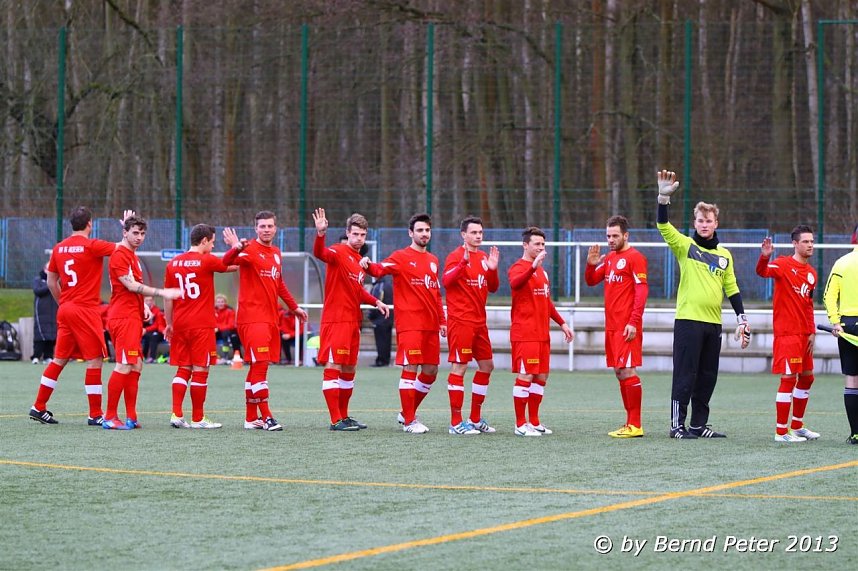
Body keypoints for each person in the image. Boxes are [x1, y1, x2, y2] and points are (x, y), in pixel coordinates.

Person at [656, 169, 751, 439]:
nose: (704, 224)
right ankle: (677, 426)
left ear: (716, 223)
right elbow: (663, 227)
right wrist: (663, 200)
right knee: (685, 375)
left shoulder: (724, 255)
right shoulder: (685, 246)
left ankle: (698, 425)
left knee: (708, 377)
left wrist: (742, 318)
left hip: (714, 324)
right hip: (688, 321)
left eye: (708, 220)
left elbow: (731, 288)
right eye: (700, 220)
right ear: (695, 223)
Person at [29, 206, 128, 425]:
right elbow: (124, 248)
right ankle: (95, 414)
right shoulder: (93, 245)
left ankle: (38, 406)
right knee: (95, 360)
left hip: (66, 309)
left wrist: (63, 301)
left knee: (59, 359)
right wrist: (126, 229)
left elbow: (51, 280)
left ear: (71, 224)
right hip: (85, 310)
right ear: (90, 224)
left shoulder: (59, 248)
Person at [223, 211, 309, 431]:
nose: (266, 229)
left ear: (275, 228)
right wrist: (236, 247)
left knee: (258, 367)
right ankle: (268, 416)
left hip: (271, 318)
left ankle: (251, 418)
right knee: (260, 366)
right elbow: (226, 262)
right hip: (252, 319)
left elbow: (279, 284)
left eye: (270, 226)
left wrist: (295, 307)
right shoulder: (249, 249)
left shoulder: (276, 253)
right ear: (255, 228)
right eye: (262, 226)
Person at [362, 213, 446, 434]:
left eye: (427, 230)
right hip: (410, 323)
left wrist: (442, 320)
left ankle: (406, 412)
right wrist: (367, 265)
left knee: (431, 371)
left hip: (430, 324)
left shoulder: (434, 260)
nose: (424, 234)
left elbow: (436, 294)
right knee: (411, 367)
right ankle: (409, 421)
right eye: (420, 230)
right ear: (411, 233)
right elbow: (380, 269)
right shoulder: (401, 256)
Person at [103, 215, 183, 430]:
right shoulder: (120, 254)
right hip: (122, 317)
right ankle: (109, 416)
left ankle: (131, 416)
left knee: (136, 364)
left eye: (142, 233)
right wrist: (161, 292)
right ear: (124, 233)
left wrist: (144, 306)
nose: (139, 237)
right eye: (134, 233)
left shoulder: (131, 255)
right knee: (124, 364)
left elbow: (134, 285)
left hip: (132, 315)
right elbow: (129, 285)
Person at [312, 208, 389, 431]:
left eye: (362, 235)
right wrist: (320, 233)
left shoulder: (359, 260)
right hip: (335, 320)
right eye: (355, 234)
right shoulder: (337, 251)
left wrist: (376, 302)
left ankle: (344, 416)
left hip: (352, 320)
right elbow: (320, 253)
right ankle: (335, 419)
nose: (358, 238)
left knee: (349, 368)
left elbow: (358, 291)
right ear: (348, 233)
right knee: (334, 364)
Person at [163, 223, 235, 429]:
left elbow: (168, 298)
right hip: (201, 324)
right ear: (204, 241)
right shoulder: (206, 260)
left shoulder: (173, 263)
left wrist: (169, 323)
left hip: (180, 323)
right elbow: (233, 265)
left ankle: (176, 414)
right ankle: (197, 418)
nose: (213, 246)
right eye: (212, 242)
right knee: (201, 368)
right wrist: (238, 247)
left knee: (183, 368)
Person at [585, 215, 649, 438]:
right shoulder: (610, 258)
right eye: (608, 236)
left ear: (625, 235)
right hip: (611, 326)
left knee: (628, 370)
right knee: (619, 372)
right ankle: (629, 423)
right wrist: (590, 265)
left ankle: (636, 424)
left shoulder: (635, 258)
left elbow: (641, 291)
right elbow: (592, 280)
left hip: (626, 327)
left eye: (615, 236)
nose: (610, 240)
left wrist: (633, 322)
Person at [756, 226, 820, 443]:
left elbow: (809, 304)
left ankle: (798, 426)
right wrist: (764, 257)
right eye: (805, 241)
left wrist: (811, 331)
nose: (810, 245)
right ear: (795, 243)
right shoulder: (783, 264)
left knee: (808, 377)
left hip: (804, 335)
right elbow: (762, 272)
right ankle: (781, 432)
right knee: (788, 379)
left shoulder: (812, 273)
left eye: (812, 241)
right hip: (788, 334)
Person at [508, 226, 574, 437]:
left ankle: (534, 421)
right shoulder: (518, 267)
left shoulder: (543, 273)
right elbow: (515, 283)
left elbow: (546, 302)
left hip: (542, 333)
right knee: (526, 374)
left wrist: (562, 323)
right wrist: (532, 267)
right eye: (536, 244)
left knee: (541, 376)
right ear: (525, 245)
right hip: (524, 333)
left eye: (543, 244)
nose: (540, 247)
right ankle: (520, 424)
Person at [442, 215, 500, 435]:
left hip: (479, 322)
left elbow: (493, 287)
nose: (478, 236)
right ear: (463, 235)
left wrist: (493, 269)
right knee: (460, 367)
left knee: (487, 366)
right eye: (473, 232)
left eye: (480, 232)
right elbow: (446, 282)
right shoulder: (455, 256)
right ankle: (455, 423)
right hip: (461, 321)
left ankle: (475, 418)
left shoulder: (485, 257)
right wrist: (462, 264)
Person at [822, 223, 858, 445]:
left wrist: (835, 322)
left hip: (847, 325)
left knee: (852, 379)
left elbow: (828, 296)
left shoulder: (842, 262)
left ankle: (855, 433)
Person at [32, 262, 58, 364]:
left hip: (53, 311)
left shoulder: (56, 281)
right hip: (41, 312)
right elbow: (37, 291)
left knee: (52, 334)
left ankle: (48, 356)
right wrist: (50, 284)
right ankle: (36, 356)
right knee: (40, 334)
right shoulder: (38, 280)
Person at [368, 275, 393, 367]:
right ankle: (385, 359)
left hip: (380, 318)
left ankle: (381, 360)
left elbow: (377, 299)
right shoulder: (389, 285)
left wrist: (371, 316)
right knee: (386, 340)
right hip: (389, 318)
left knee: (381, 341)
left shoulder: (379, 286)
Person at [214, 293, 240, 363]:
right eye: (218, 302)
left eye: (222, 302)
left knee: (226, 334)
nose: (220, 304)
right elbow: (212, 322)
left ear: (225, 302)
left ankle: (225, 356)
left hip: (227, 331)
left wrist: (218, 327)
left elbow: (231, 325)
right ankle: (212, 356)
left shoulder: (230, 311)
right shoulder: (213, 311)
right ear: (215, 303)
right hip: (217, 331)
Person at [141, 296, 166, 363]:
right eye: (147, 300)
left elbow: (157, 325)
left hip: (156, 332)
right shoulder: (141, 310)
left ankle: (152, 357)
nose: (149, 302)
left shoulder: (157, 311)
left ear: (153, 302)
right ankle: (137, 355)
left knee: (152, 336)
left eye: (150, 300)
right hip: (145, 331)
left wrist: (145, 329)